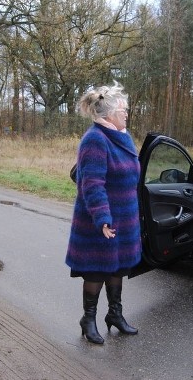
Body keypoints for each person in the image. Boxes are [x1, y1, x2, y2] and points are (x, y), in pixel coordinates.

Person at [65, 81, 141, 345]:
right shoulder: (95, 139)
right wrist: (102, 218)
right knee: (96, 270)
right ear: (108, 114)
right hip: (102, 219)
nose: (127, 114)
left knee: (118, 267)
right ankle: (88, 319)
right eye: (123, 111)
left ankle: (115, 314)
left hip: (124, 216)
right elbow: (92, 183)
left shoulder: (122, 136)